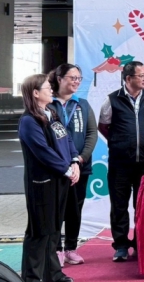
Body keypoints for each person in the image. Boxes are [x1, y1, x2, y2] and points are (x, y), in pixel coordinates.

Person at [19, 74, 79, 282]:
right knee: (39, 232)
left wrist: (74, 161)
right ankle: (32, 277)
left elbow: (67, 138)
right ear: (36, 93)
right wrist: (66, 169)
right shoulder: (29, 121)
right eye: (47, 87)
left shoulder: (51, 113)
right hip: (42, 183)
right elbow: (42, 151)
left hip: (60, 180)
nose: (51, 90)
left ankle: (53, 274)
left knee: (54, 230)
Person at [98, 61, 144, 262]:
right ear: (128, 78)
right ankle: (121, 245)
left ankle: (141, 244)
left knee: (143, 206)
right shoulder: (112, 99)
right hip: (120, 163)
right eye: (141, 76)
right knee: (119, 206)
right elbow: (103, 126)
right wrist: (119, 142)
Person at [47, 64, 97, 267]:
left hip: (80, 167)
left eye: (79, 78)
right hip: (57, 168)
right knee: (56, 210)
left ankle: (71, 248)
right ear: (60, 79)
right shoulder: (48, 105)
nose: (76, 82)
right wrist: (62, 164)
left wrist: (80, 159)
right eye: (72, 78)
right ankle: (56, 249)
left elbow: (92, 133)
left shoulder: (82, 104)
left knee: (76, 209)